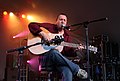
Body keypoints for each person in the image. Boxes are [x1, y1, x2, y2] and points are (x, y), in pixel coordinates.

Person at [28, 13, 88, 81]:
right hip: (47, 59)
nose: (63, 21)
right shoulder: (50, 27)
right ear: (56, 21)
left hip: (59, 62)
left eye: (64, 20)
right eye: (61, 19)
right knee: (54, 52)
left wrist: (76, 50)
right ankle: (77, 70)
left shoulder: (66, 36)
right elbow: (31, 25)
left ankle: (74, 69)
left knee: (67, 70)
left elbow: (67, 52)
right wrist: (43, 34)